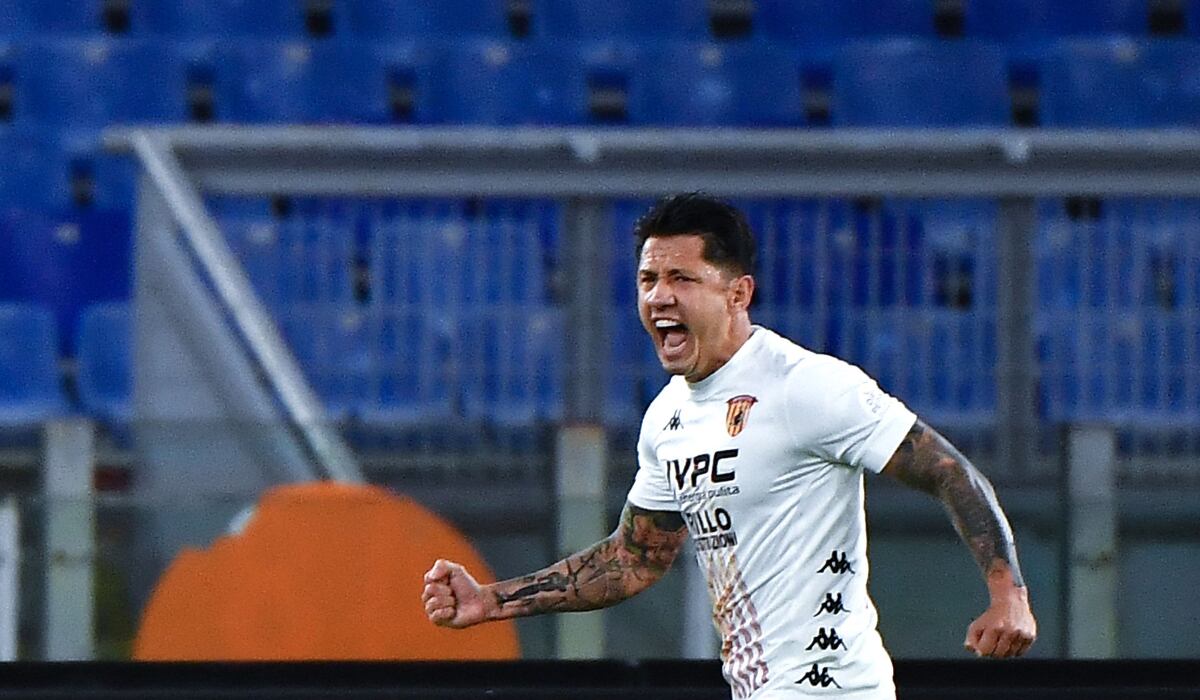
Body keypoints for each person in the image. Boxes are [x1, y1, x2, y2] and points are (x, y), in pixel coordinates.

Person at [422, 193, 1037, 699]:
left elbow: (947, 470)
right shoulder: (668, 417)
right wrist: (491, 600)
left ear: (737, 294)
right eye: (647, 279)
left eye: (680, 278)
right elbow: (633, 559)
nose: (658, 296)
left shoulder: (806, 386)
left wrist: (1008, 595)